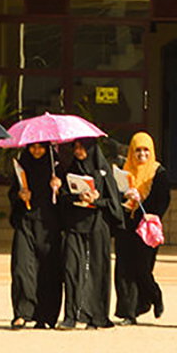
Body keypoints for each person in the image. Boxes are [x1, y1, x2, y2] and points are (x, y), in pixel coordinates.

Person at [55, 138, 123, 330]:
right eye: (75, 147)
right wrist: (76, 196)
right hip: (74, 226)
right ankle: (71, 315)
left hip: (97, 227)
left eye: (82, 147)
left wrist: (96, 200)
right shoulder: (71, 170)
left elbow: (114, 205)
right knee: (71, 269)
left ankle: (96, 315)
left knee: (97, 270)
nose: (78, 151)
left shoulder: (103, 171)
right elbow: (64, 199)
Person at [113, 132, 169, 325]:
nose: (141, 154)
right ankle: (129, 312)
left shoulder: (158, 172)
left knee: (142, 268)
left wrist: (147, 206)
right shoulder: (124, 170)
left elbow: (163, 199)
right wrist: (125, 198)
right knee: (124, 269)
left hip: (146, 228)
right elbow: (115, 196)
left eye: (146, 150)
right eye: (137, 150)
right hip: (126, 227)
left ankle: (154, 295)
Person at [7, 143, 62, 330]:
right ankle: (22, 313)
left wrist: (58, 187)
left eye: (41, 147)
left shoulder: (57, 167)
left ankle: (45, 316)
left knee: (48, 270)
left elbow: (68, 197)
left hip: (49, 226)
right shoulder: (23, 166)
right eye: (32, 147)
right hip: (25, 221)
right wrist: (20, 195)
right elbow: (12, 192)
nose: (36, 151)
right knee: (22, 267)